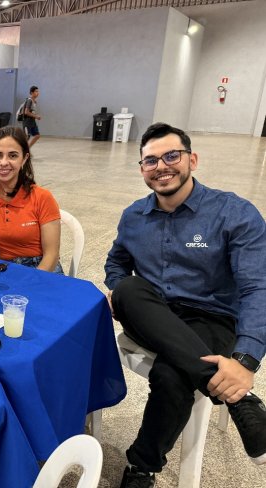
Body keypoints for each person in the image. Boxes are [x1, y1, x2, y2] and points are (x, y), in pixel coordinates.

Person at [105, 123, 266, 487]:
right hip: (151, 313)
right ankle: (240, 400)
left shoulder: (233, 213)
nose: (161, 166)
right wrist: (116, 288)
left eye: (171, 156)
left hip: (211, 318)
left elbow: (258, 287)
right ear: (142, 169)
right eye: (150, 161)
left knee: (171, 376)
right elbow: (116, 263)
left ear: (192, 160)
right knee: (128, 288)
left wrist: (245, 361)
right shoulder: (134, 216)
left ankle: (141, 467)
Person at [0, 126, 61, 272]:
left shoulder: (42, 197)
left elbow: (52, 255)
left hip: (40, 270)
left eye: (13, 156)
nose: (4, 162)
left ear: (24, 158)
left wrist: (31, 281)